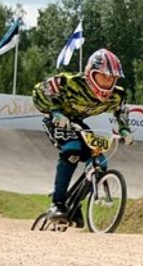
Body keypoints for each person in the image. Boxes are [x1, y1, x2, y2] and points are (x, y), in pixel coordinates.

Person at [32, 48, 133, 224]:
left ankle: (74, 204)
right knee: (72, 150)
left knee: (99, 163)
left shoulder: (116, 96)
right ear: (90, 73)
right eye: (103, 76)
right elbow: (42, 90)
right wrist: (55, 111)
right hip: (57, 120)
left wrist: (124, 129)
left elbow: (121, 110)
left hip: (77, 123)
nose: (107, 82)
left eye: (112, 78)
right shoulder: (69, 82)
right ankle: (57, 204)